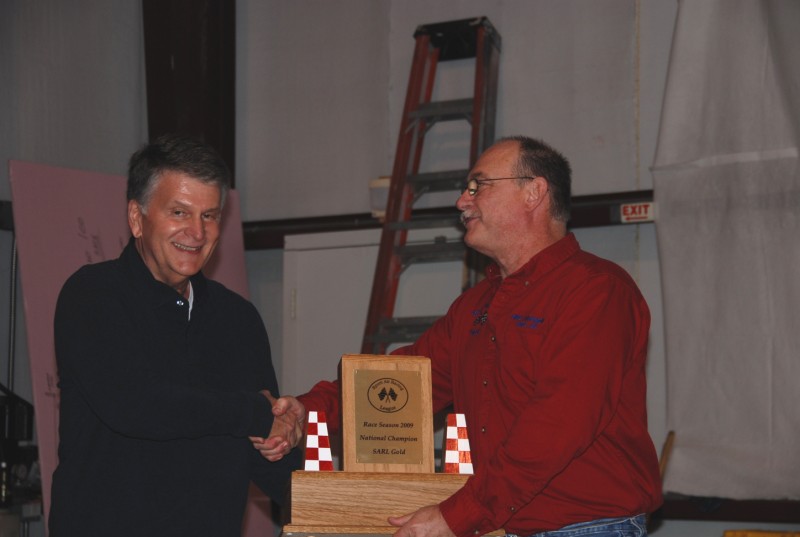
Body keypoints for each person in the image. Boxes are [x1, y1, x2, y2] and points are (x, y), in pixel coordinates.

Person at [271, 136, 663, 537]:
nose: (462, 201)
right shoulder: (476, 306)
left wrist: (459, 515)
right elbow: (404, 383)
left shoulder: (596, 291)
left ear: (534, 192)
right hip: (500, 526)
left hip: (583, 527)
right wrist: (309, 410)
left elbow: (557, 425)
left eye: (479, 186)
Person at [50, 134, 304, 536]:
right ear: (136, 218)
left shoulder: (238, 319)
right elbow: (138, 405)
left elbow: (265, 454)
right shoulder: (93, 296)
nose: (197, 232)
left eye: (209, 215)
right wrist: (254, 412)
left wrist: (288, 443)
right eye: (180, 212)